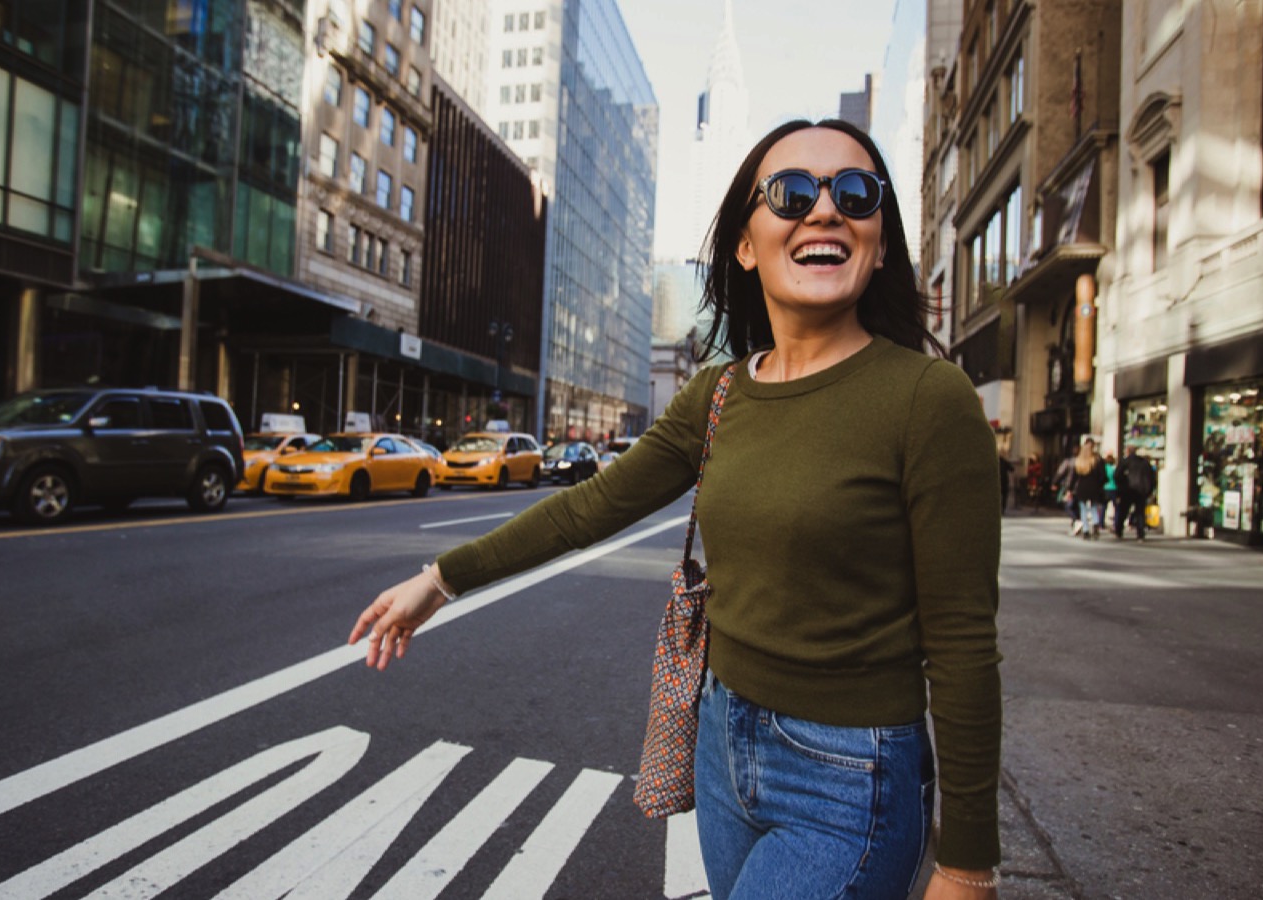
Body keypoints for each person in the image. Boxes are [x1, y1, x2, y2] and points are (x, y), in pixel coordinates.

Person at [349, 119, 1002, 900]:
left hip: (849, 776)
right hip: (723, 744)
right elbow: (589, 507)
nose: (825, 210)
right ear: (746, 244)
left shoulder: (930, 399)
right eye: (792, 193)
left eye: (855, 193)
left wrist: (967, 866)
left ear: (881, 239)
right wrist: (441, 580)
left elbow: (963, 643)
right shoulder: (719, 392)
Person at [1113, 446, 1157, 541]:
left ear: (1127, 451)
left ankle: (1118, 531)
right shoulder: (1144, 463)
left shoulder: (1125, 462)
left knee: (1123, 511)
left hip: (1128, 489)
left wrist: (1121, 486)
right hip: (1141, 490)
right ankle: (1140, 534)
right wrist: (1149, 490)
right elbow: (1152, 478)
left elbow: (1117, 475)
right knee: (1140, 512)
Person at [1070, 442, 1107, 540]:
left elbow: (1074, 477)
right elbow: (1102, 475)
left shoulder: (1078, 462)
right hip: (1094, 487)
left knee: (1083, 509)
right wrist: (1100, 484)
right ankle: (1095, 525)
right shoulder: (1095, 461)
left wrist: (1070, 488)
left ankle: (1086, 530)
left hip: (1082, 488)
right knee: (1094, 507)